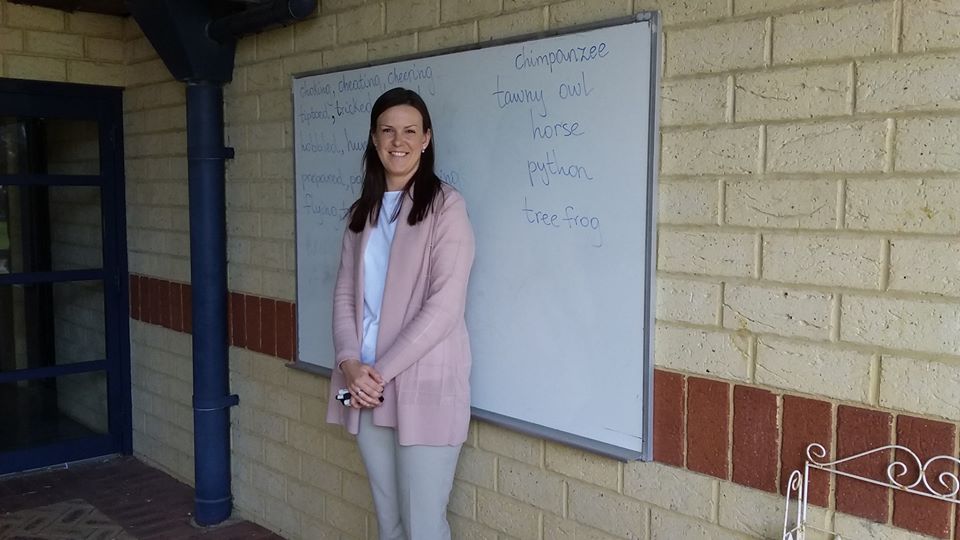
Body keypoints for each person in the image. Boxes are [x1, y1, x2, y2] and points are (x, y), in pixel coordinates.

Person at [325, 87, 475, 540]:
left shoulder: (446, 206)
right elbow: (344, 298)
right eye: (388, 130)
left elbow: (445, 307)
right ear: (374, 139)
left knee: (424, 527)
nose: (398, 140)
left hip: (419, 385)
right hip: (364, 386)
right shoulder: (361, 213)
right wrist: (351, 366)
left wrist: (379, 373)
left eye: (410, 130)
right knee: (389, 523)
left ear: (426, 139)